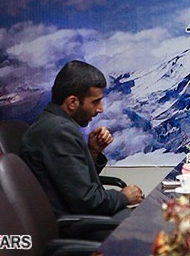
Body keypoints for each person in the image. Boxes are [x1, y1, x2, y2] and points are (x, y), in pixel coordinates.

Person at [20, 60, 144, 221]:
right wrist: (124, 197)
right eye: (95, 102)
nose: (100, 109)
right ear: (72, 102)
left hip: (81, 219)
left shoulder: (52, 123)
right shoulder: (59, 132)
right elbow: (86, 202)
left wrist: (92, 151)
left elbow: (74, 184)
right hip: (78, 225)